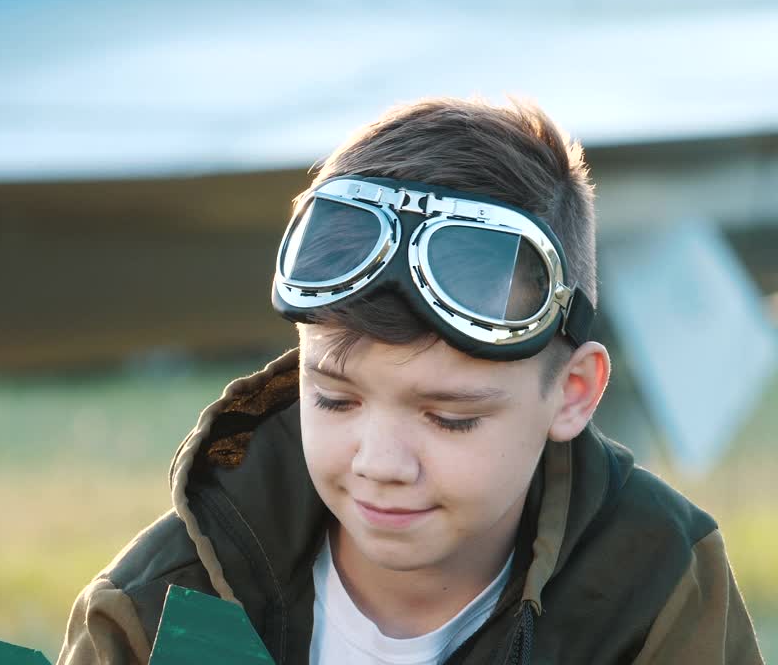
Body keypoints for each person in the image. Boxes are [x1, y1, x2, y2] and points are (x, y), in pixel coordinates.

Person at [54, 98, 764, 664]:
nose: (381, 465)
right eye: (334, 398)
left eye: (449, 417)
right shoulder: (161, 606)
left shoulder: (656, 583)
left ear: (573, 391)